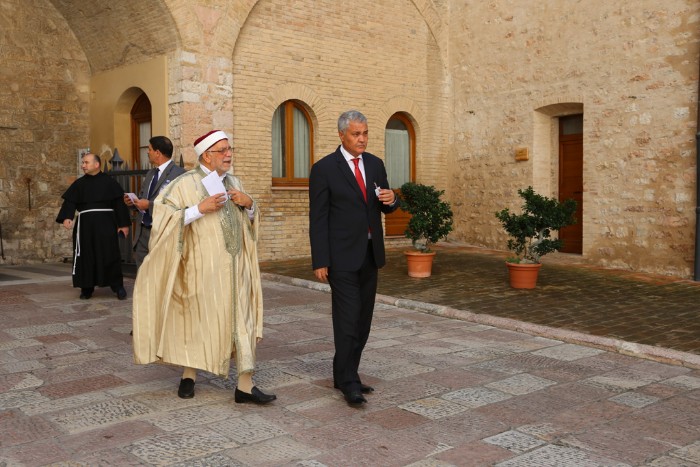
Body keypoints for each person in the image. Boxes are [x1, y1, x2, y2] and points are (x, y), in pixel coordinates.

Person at [131, 130, 275, 404]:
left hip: (237, 271)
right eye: (222, 150)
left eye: (230, 149)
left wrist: (250, 204)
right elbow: (162, 217)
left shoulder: (235, 181)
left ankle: (245, 386)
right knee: (197, 322)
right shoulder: (183, 184)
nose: (228, 154)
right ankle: (189, 375)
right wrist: (199, 208)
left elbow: (248, 222)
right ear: (206, 156)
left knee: (241, 323)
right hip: (201, 270)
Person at [309, 110, 400, 406]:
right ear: (341, 135)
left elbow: (385, 204)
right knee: (347, 320)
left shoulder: (375, 164)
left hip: (370, 255)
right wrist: (320, 260)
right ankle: (349, 382)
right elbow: (318, 218)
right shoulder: (324, 169)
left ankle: (345, 373)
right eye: (356, 134)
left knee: (363, 322)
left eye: (365, 133)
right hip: (340, 258)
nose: (362, 139)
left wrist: (393, 200)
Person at [56, 153, 130, 300]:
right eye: (83, 162)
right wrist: (67, 217)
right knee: (86, 255)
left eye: (86, 162)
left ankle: (117, 286)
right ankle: (87, 288)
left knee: (109, 254)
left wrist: (123, 225)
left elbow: (119, 204)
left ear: (97, 165)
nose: (83, 165)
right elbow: (70, 202)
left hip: (106, 225)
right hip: (85, 227)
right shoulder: (79, 184)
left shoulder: (110, 183)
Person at [123, 136, 185, 268]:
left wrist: (149, 205)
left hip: (162, 233)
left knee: (159, 272)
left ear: (157, 153)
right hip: (143, 233)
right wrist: (133, 203)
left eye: (150, 149)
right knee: (142, 273)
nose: (147, 152)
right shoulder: (151, 173)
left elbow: (179, 205)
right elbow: (143, 197)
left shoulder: (179, 174)